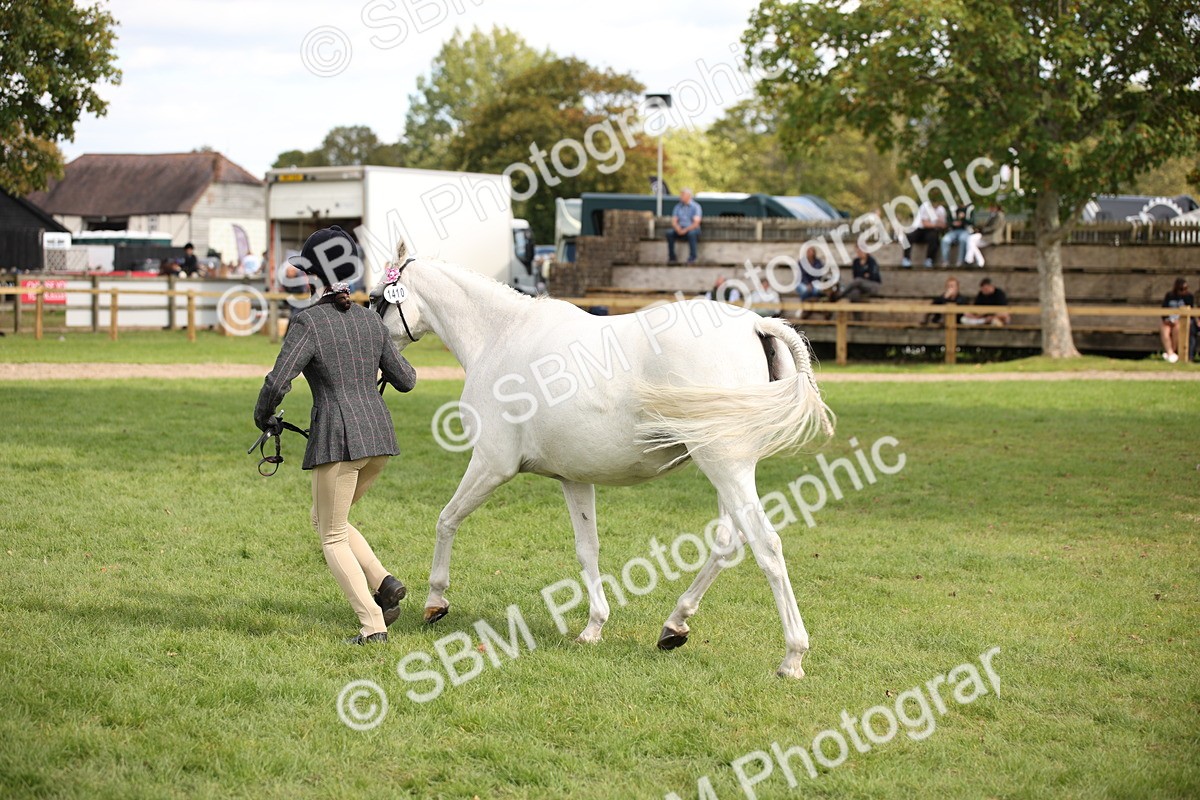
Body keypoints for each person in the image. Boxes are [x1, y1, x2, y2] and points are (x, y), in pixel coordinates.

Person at [254, 226, 417, 645]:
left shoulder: (308, 322)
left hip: (338, 440)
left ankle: (372, 626)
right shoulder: (369, 319)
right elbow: (407, 381)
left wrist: (263, 416)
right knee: (330, 520)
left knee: (331, 535)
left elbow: (278, 382)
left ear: (313, 275)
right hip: (378, 440)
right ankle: (383, 582)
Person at [1160, 277, 1195, 363]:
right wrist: (1166, 319)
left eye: (1185, 289)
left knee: (1177, 328)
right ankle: (1170, 352)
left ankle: (1173, 352)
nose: (1183, 291)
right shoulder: (1169, 295)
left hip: (1181, 320)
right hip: (1169, 319)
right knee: (1164, 330)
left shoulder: (1189, 297)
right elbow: (1163, 310)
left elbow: (1190, 311)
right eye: (1181, 289)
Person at [903, 200, 945, 268]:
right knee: (908, 237)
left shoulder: (941, 209)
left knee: (934, 238)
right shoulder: (925, 206)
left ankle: (929, 259)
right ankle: (906, 259)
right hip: (920, 230)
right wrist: (936, 224)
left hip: (932, 231)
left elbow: (943, 224)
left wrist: (932, 224)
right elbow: (924, 223)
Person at [667, 188, 702, 264]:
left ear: (688, 196)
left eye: (682, 195)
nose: (680, 197)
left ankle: (692, 257)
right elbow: (674, 220)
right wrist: (677, 228)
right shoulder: (678, 207)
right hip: (680, 228)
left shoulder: (696, 207)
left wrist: (685, 230)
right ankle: (672, 257)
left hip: (691, 229)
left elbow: (696, 223)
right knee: (669, 233)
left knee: (691, 234)